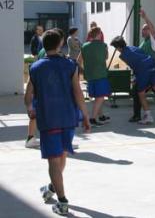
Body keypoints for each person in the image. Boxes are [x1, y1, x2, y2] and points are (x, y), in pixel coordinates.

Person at [24, 29, 91, 216]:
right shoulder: (70, 65)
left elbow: (28, 95)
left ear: (43, 45)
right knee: (61, 157)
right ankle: (52, 189)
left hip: (49, 119)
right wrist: (86, 116)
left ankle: (62, 202)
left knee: (54, 160)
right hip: (68, 118)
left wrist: (30, 107)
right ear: (60, 43)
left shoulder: (35, 67)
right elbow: (78, 93)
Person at [110, 36, 155, 124]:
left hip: (144, 71)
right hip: (154, 65)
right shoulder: (132, 47)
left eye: (115, 48)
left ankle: (148, 116)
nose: (116, 50)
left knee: (141, 93)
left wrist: (136, 77)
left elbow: (136, 66)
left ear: (118, 47)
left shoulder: (123, 56)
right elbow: (142, 55)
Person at [129, 9, 155, 122]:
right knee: (137, 92)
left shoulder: (154, 41)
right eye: (142, 29)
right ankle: (139, 115)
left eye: (145, 29)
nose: (143, 31)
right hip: (144, 72)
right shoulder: (143, 43)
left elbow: (153, 29)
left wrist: (145, 17)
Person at [78, 27, 111, 127]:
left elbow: (78, 61)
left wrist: (83, 71)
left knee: (97, 96)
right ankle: (92, 118)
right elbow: (106, 57)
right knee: (100, 97)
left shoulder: (84, 46)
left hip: (89, 75)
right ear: (99, 34)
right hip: (100, 74)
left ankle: (101, 116)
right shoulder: (103, 45)